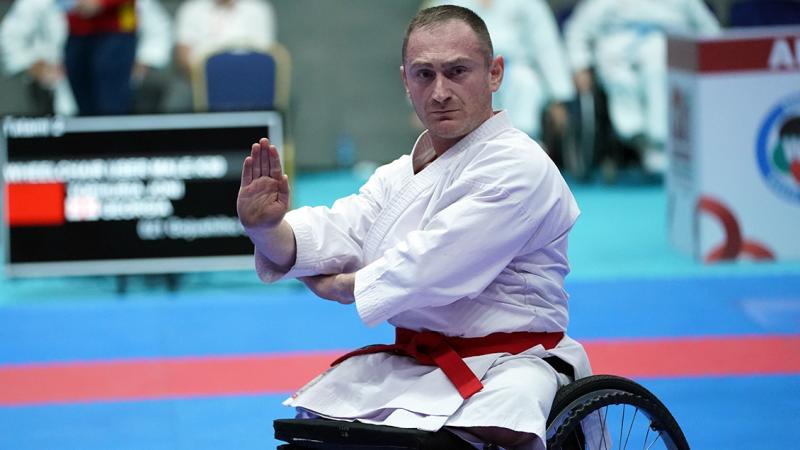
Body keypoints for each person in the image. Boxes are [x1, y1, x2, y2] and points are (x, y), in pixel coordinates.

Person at [237, 6, 590, 449]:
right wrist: (267, 230)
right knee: (314, 425)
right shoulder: (402, 173)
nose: (440, 91)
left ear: (495, 74)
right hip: (420, 361)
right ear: (406, 81)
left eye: (457, 71)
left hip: (511, 363)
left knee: (491, 421)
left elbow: (436, 263)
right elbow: (345, 227)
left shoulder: (521, 167)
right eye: (425, 75)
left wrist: (346, 286)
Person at [563, 0, 720, 174]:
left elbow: (709, 29)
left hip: (665, 43)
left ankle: (658, 142)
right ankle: (634, 134)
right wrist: (580, 64)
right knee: (619, 78)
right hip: (616, 46)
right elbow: (578, 29)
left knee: (657, 68)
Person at [424, 0, 575, 141]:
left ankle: (521, 149)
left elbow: (546, 46)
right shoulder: (447, 2)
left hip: (517, 73)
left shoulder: (529, 4)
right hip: (463, 73)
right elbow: (428, 47)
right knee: (467, 135)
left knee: (525, 90)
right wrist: (424, 102)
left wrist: (558, 97)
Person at [0, 0, 172, 116]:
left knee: (110, 125)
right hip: (58, 90)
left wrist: (142, 62)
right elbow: (9, 35)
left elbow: (159, 29)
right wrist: (35, 66)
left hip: (117, 79)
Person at [163, 0, 277, 112]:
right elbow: (183, 56)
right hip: (197, 81)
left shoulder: (257, 8)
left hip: (248, 82)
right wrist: (208, 83)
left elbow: (264, 58)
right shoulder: (192, 8)